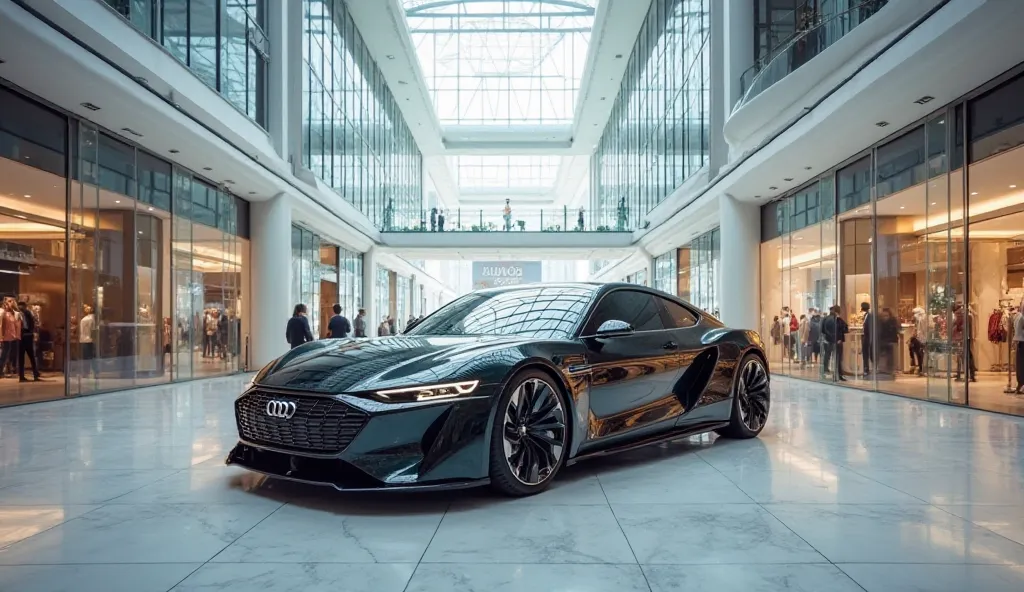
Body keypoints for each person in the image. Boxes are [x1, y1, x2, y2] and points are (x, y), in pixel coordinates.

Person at [17, 301, 41, 382]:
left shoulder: (28, 313)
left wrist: (30, 332)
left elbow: (32, 323)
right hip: (21, 337)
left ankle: (35, 374)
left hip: (28, 336)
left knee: (32, 356)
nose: (21, 308)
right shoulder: (17, 314)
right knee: (21, 358)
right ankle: (21, 376)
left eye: (22, 306)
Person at [0, 298, 21, 379]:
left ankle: (4, 370)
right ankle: (0, 371)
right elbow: (1, 325)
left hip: (10, 337)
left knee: (7, 355)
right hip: (4, 338)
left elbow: (14, 325)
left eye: (12, 301)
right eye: (9, 301)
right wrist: (1, 337)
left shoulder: (11, 313)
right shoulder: (2, 312)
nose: (11, 303)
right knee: (3, 355)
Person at [909, 307, 926, 375]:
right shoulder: (919, 320)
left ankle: (920, 368)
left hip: (921, 339)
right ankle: (918, 367)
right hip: (919, 338)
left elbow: (921, 330)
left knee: (920, 354)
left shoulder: (921, 320)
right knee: (917, 353)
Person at [860, 302, 873, 376]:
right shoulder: (866, 315)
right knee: (865, 354)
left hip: (868, 338)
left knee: (868, 353)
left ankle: (867, 369)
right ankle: (866, 368)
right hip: (865, 337)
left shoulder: (869, 316)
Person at [1015, 304, 1024, 393]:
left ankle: (1020, 384)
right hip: (1022, 341)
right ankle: (1021, 384)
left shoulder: (1018, 316)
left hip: (1020, 342)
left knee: (1020, 364)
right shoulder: (1022, 317)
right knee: (1021, 364)